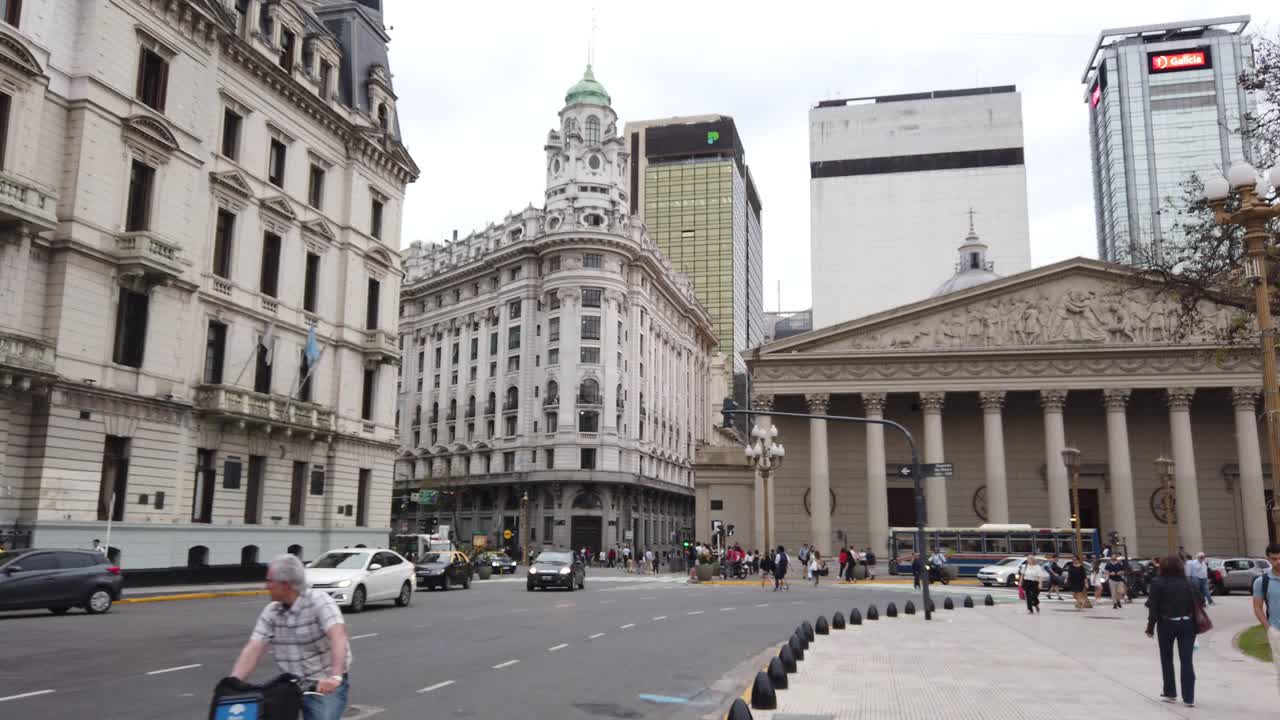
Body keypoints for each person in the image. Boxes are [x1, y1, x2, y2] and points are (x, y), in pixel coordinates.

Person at [230, 554, 351, 720]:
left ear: (285, 585)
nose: (266, 586)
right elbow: (254, 648)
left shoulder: (320, 602)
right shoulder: (272, 612)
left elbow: (338, 635)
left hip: (323, 683)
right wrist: (233, 683)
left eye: (270, 581)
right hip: (291, 685)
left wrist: (335, 677)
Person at [1145, 554, 1197, 707]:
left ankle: (1170, 692)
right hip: (1187, 623)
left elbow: (1153, 607)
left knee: (1166, 658)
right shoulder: (1187, 583)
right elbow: (1199, 601)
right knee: (1187, 660)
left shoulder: (1157, 582)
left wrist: (1150, 628)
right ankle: (1189, 697)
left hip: (1166, 623)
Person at [1250, 542, 1280, 692]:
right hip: (1277, 632)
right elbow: (1257, 607)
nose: (1278, 562)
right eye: (1274, 559)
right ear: (1268, 559)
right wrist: (1268, 628)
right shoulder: (1262, 582)